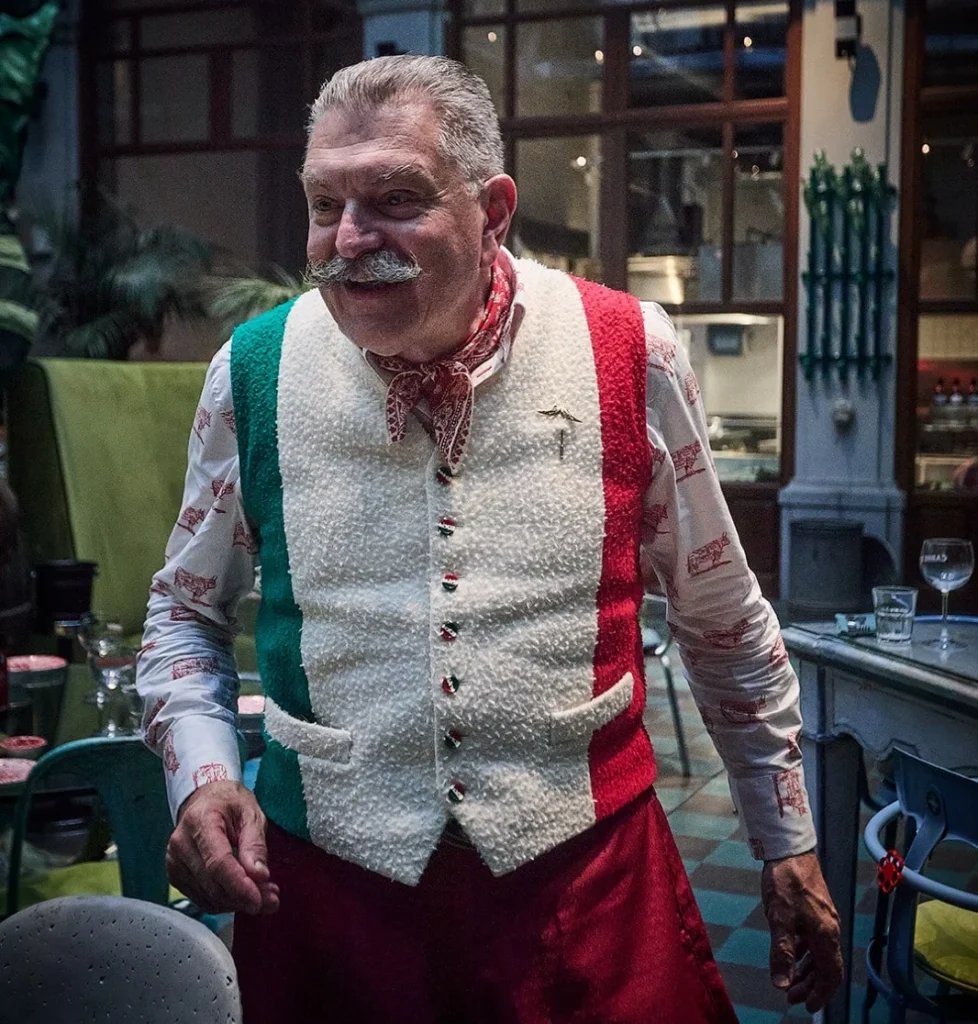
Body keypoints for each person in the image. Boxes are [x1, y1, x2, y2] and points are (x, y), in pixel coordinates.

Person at [137, 54, 842, 1024]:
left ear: (494, 209)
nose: (348, 240)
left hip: (588, 899)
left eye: (393, 198)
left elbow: (722, 620)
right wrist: (204, 779)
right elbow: (183, 613)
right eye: (324, 203)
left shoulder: (632, 352)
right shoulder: (250, 372)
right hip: (327, 910)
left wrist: (785, 837)